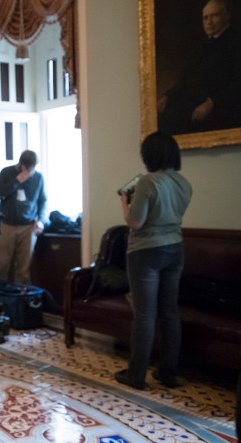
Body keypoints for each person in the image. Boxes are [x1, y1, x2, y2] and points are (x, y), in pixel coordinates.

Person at [114, 131, 192, 390]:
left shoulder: (148, 182)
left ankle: (136, 375)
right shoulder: (183, 183)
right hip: (175, 248)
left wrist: (125, 202)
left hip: (146, 251)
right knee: (170, 312)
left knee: (145, 315)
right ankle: (168, 373)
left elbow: (135, 222)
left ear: (149, 156)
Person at [157, 0, 241, 135]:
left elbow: (238, 83)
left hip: (221, 108)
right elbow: (185, 79)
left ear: (227, 16)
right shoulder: (199, 46)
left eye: (214, 16)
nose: (209, 22)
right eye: (205, 18)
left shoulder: (236, 42)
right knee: (162, 118)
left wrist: (212, 103)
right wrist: (168, 96)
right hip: (192, 104)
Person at [0, 150, 47, 284]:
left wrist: (40, 219)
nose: (30, 171)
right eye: (28, 168)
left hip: (28, 227)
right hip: (6, 226)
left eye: (33, 168)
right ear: (22, 165)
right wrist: (16, 181)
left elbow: (42, 200)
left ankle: (20, 302)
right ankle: (1, 300)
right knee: (1, 267)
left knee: (23, 270)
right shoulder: (6, 172)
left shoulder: (38, 178)